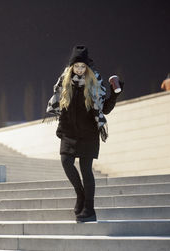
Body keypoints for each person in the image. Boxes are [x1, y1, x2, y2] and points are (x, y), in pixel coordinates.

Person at [45, 45, 124, 222]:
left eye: (83, 67)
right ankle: (80, 195)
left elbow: (105, 109)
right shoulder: (64, 82)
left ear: (87, 67)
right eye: (77, 66)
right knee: (66, 162)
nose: (80, 70)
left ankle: (89, 209)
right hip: (70, 132)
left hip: (88, 133)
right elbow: (62, 108)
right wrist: (61, 129)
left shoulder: (95, 82)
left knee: (86, 169)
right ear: (71, 66)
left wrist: (115, 94)